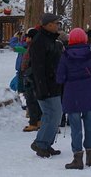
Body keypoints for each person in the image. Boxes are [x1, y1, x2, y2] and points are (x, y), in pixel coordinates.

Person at [57, 28, 91, 169]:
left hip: (72, 93)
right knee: (90, 123)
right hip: (89, 91)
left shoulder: (65, 55)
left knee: (75, 126)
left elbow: (60, 77)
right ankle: (90, 153)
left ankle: (77, 157)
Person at [29, 13, 64, 158]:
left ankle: (45, 143)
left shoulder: (50, 40)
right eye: (57, 23)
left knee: (54, 115)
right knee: (52, 114)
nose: (58, 26)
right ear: (49, 25)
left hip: (53, 84)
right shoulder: (40, 41)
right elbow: (38, 68)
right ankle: (41, 143)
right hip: (45, 86)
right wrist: (42, 88)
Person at [21, 28, 42, 132]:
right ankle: (39, 121)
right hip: (39, 77)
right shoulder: (40, 46)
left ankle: (34, 122)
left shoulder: (32, 47)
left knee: (31, 100)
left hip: (31, 77)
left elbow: (25, 62)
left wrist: (24, 69)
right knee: (38, 100)